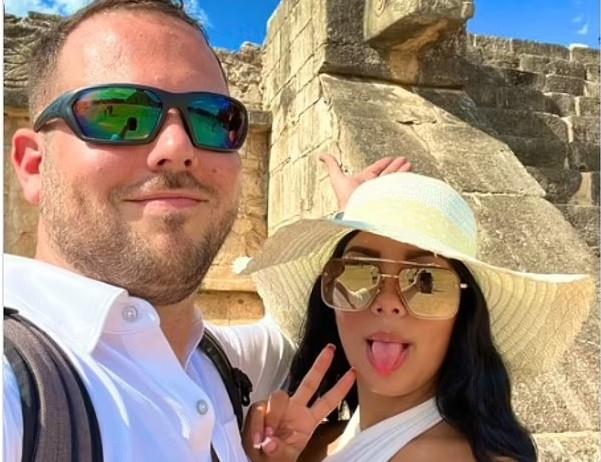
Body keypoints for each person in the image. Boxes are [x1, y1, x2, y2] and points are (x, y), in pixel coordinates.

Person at [240, 172, 595, 462]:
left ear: (463, 312)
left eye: (426, 280)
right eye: (358, 272)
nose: (387, 302)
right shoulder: (311, 442)